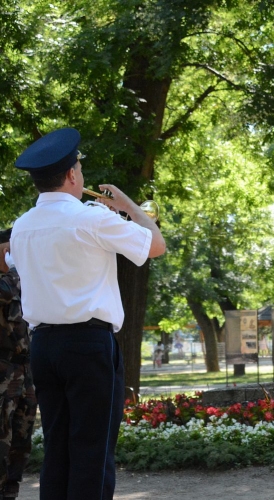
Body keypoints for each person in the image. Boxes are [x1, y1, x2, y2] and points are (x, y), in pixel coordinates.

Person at [10, 127, 166, 500]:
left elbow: (15, 263)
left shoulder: (21, 225)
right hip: (88, 344)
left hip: (44, 345)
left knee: (58, 449)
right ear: (72, 174)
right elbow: (156, 245)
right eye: (79, 167)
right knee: (92, 453)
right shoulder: (92, 218)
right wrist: (129, 207)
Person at [0, 229, 37, 500]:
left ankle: (10, 493)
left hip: (25, 374)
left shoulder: (24, 280)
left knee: (21, 445)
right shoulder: (11, 281)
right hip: (3, 374)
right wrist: (16, 270)